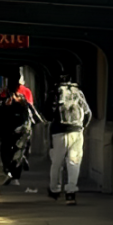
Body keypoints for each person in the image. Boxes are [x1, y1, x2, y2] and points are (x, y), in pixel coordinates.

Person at [47, 74, 92, 205]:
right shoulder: (78, 93)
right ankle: (71, 191)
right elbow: (88, 112)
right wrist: (82, 126)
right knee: (74, 162)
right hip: (76, 131)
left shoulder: (55, 92)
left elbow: (48, 113)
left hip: (58, 132)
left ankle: (54, 189)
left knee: (57, 162)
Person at [0, 83, 35, 186]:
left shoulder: (6, 102)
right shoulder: (25, 101)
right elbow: (34, 116)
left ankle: (9, 171)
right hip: (21, 132)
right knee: (18, 153)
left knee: (6, 151)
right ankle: (14, 176)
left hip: (9, 132)